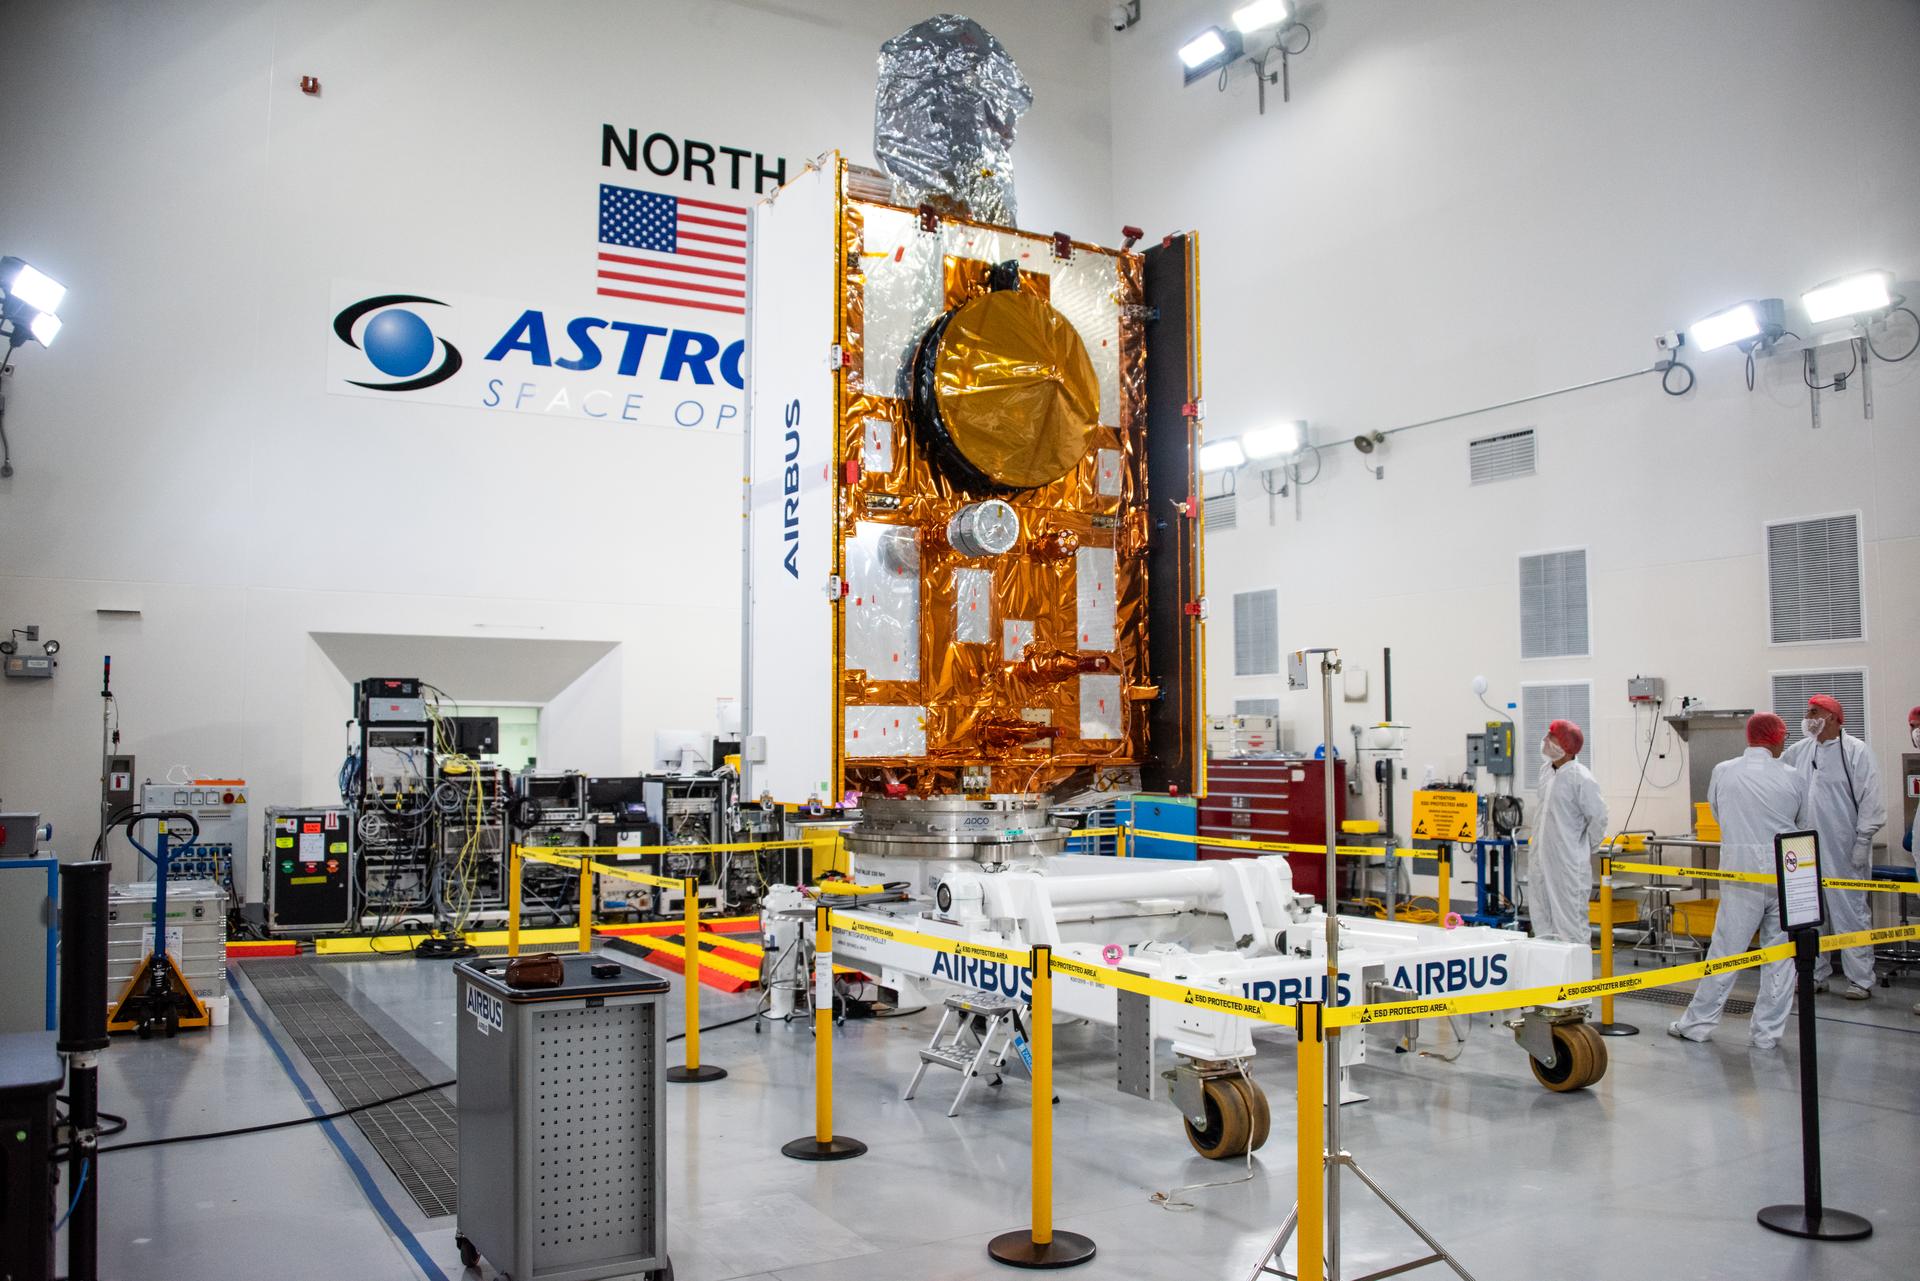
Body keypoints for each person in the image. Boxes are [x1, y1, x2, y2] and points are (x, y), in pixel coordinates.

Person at [1669, 714, 1801, 1047]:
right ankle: (1767, 1034)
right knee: (1780, 957)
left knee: (1726, 952)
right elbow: (1804, 822)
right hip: (1785, 872)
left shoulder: (1724, 771)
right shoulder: (1793, 775)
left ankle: (1697, 1024)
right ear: (1776, 738)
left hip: (1741, 872)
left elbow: (1717, 813)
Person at [1782, 694, 1884, 999]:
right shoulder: (1799, 751)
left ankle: (1860, 979)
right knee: (1809, 912)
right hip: (1803, 844)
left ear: (1834, 718)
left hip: (1843, 843)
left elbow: (1871, 798)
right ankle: (1813, 973)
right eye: (1808, 711)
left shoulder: (1856, 751)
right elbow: (1777, 780)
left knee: (1850, 911)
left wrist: (1863, 840)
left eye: (1814, 712)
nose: (1808, 717)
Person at [1529, 718, 1606, 944]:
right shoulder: (1545, 771)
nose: (1546, 740)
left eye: (1552, 737)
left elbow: (1598, 816)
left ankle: (1576, 967)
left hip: (1567, 864)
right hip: (1541, 858)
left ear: (1566, 746)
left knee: (1570, 924)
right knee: (1541, 918)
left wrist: (1582, 848)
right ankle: (1547, 965)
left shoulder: (1581, 777)